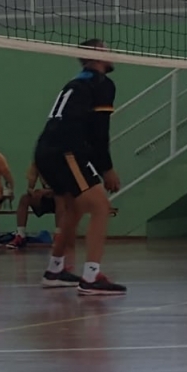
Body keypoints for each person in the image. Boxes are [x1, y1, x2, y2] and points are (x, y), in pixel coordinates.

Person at [32, 38, 125, 294]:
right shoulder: (101, 83)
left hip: (47, 151)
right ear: (96, 56)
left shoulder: (76, 82)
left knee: (74, 209)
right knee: (100, 207)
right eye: (107, 50)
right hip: (66, 152)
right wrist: (106, 168)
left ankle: (55, 270)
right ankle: (92, 277)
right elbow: (99, 131)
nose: (112, 55)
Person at [4, 163, 59, 250]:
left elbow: (66, 188)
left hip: (62, 198)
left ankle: (58, 236)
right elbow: (30, 186)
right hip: (46, 197)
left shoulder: (63, 162)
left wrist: (47, 191)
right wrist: (32, 192)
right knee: (24, 199)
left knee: (59, 199)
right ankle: (20, 236)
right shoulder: (37, 163)